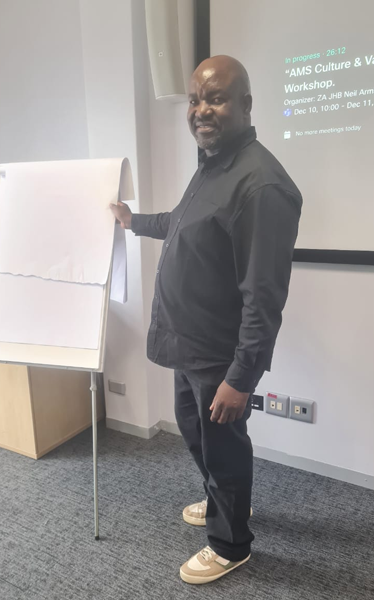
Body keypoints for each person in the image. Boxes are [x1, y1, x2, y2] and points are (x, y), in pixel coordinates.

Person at [111, 55, 302, 585]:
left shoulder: (261, 184)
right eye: (195, 100)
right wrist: (133, 221)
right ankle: (226, 502)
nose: (201, 110)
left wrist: (241, 378)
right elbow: (181, 223)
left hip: (219, 354)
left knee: (222, 445)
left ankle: (229, 543)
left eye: (215, 98)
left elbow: (264, 297)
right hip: (187, 344)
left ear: (245, 104)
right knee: (197, 434)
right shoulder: (212, 165)